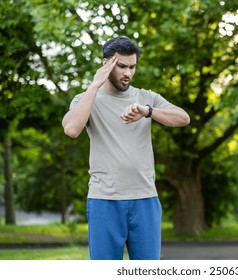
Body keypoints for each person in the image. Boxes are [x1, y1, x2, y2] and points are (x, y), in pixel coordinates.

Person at [62, 36, 190, 260]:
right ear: (106, 64)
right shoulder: (86, 99)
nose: (128, 73)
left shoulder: (146, 97)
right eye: (121, 66)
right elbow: (72, 129)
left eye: (132, 67)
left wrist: (148, 111)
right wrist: (95, 85)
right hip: (104, 201)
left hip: (145, 199)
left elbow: (183, 118)